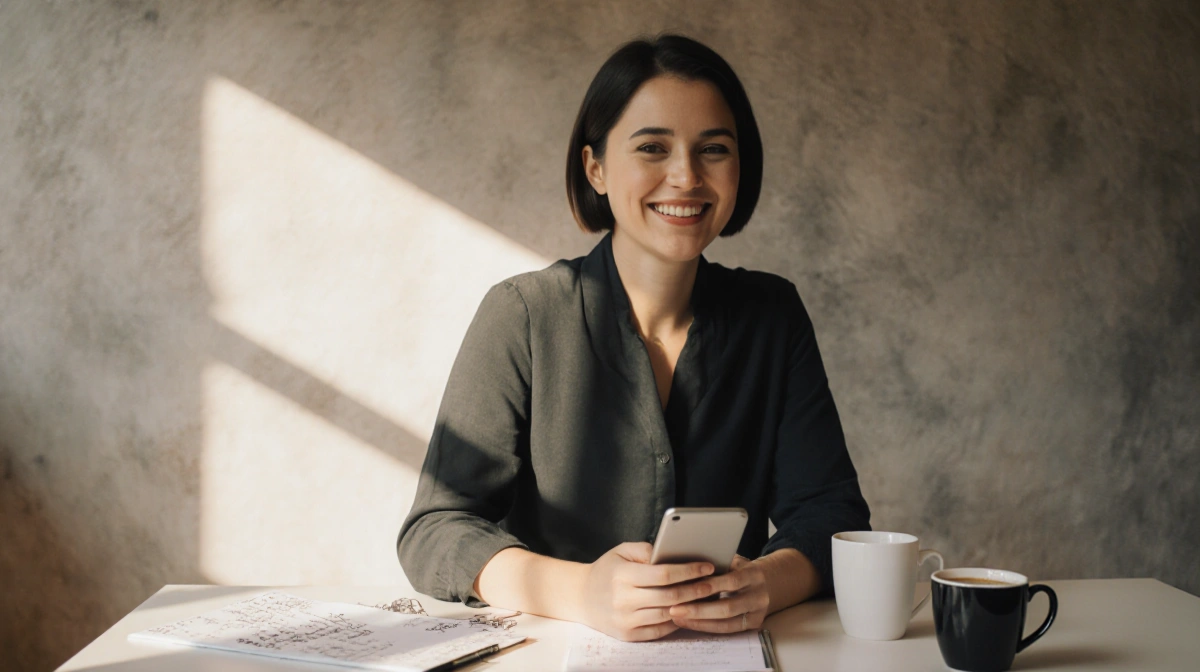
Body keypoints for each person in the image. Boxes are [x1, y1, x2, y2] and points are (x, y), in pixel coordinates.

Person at [397, 34, 870, 642]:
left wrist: (766, 584)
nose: (686, 176)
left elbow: (833, 515)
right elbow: (435, 530)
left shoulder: (772, 314)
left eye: (714, 149)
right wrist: (581, 592)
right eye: (652, 147)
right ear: (595, 166)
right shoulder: (521, 313)